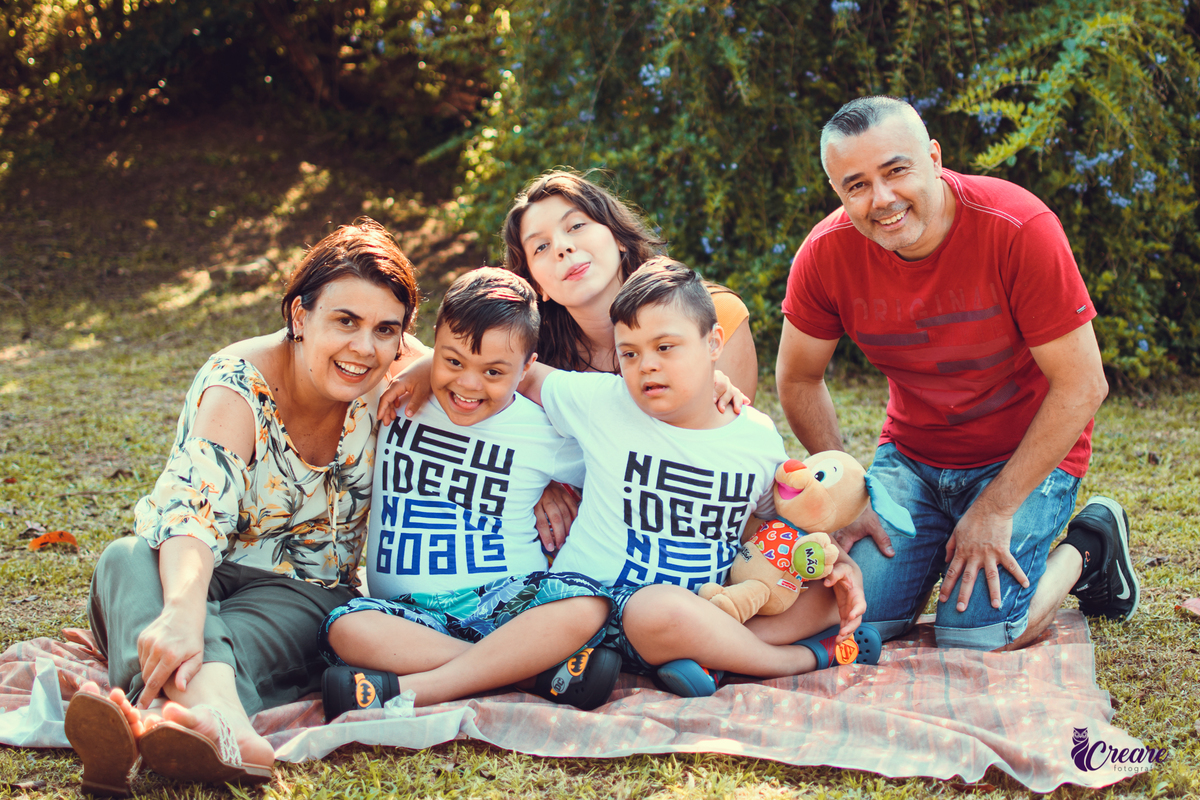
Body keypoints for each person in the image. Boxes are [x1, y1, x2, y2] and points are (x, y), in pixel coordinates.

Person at [63, 219, 423, 796]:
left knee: (228, 633)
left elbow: (492, 369)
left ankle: (158, 718)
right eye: (345, 321)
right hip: (188, 565)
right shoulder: (238, 385)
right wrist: (182, 609)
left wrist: (553, 479)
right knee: (125, 558)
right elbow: (192, 513)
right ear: (299, 317)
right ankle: (222, 727)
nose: (364, 347)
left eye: (386, 330)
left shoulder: (396, 376)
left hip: (302, 591)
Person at [775, 95, 1137, 653]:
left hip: (1021, 457)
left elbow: (1084, 384)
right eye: (857, 185)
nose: (882, 199)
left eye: (896, 171)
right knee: (851, 616)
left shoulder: (1018, 226)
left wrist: (995, 508)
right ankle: (937, 543)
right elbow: (799, 378)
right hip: (913, 460)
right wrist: (851, 496)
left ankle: (1088, 547)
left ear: (935, 159)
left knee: (979, 635)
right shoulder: (826, 254)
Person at [519, 259, 880, 697]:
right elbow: (520, 371)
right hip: (605, 613)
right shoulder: (603, 401)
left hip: (716, 610)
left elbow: (776, 527)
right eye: (629, 353)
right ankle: (803, 656)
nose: (646, 365)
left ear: (713, 344)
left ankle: (709, 654)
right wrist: (424, 365)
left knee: (827, 591)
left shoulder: (755, 437)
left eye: (665, 348)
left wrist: (834, 565)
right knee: (655, 610)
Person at [316, 268, 618, 718]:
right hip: (408, 614)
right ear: (431, 346)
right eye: (452, 361)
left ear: (527, 368)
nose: (468, 385)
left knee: (588, 602)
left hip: (508, 601)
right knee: (346, 626)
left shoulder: (545, 433)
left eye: (494, 371)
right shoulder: (396, 398)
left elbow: (618, 461)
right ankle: (531, 674)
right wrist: (420, 369)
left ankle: (416, 688)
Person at [501, 171, 760, 541]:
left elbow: (715, 467)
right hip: (582, 542)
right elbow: (478, 398)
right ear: (537, 284)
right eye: (540, 247)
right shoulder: (532, 355)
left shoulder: (715, 318)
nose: (561, 247)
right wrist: (537, 483)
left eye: (575, 226)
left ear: (619, 238)